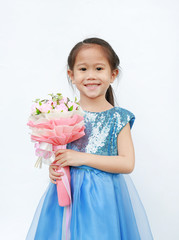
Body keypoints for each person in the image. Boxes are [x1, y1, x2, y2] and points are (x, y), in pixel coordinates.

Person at [26, 37, 153, 240]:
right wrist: (55, 168)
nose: (91, 76)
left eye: (99, 69)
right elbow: (62, 153)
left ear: (113, 74)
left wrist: (81, 158)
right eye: (83, 69)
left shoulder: (118, 117)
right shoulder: (65, 115)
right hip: (68, 197)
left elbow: (127, 163)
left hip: (103, 199)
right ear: (72, 75)